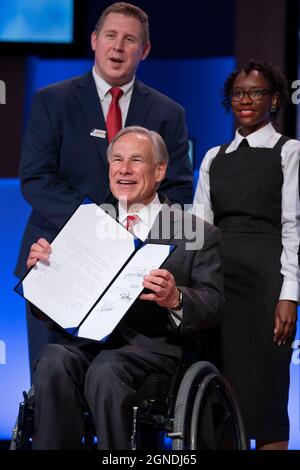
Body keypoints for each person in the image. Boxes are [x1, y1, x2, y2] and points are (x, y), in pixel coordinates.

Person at [15, 2, 193, 373]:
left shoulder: (167, 113)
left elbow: (177, 191)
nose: (117, 47)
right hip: (59, 261)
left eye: (130, 40)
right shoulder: (52, 101)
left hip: (132, 273)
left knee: (120, 389)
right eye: (110, 36)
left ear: (144, 51)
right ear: (94, 41)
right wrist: (100, 226)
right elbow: (36, 179)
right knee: (53, 384)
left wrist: (137, 239)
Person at [26, 126, 223, 450]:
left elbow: (213, 304)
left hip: (151, 350)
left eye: (136, 160)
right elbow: (52, 310)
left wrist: (176, 298)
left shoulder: (194, 230)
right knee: (52, 360)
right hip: (86, 346)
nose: (124, 169)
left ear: (159, 170)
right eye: (117, 160)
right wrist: (44, 277)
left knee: (107, 371)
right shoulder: (87, 223)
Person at [193, 60, 300, 450]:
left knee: (267, 404)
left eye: (256, 92)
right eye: (238, 93)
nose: (246, 100)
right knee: (220, 404)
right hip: (218, 283)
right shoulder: (213, 158)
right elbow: (198, 230)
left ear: (274, 100)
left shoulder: (289, 152)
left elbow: (294, 228)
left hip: (266, 283)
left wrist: (290, 295)